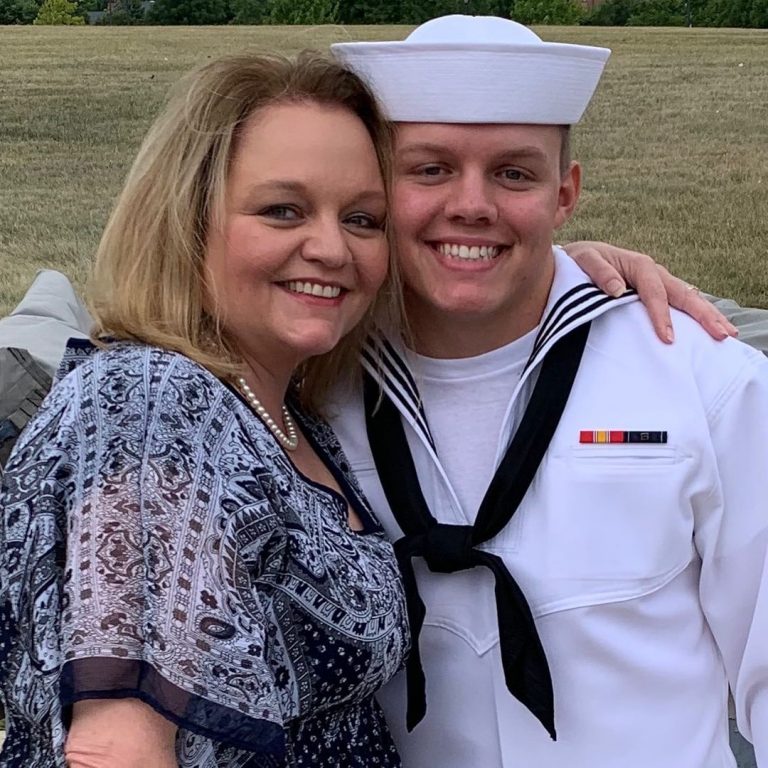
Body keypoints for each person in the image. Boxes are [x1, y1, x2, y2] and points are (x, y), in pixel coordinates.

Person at [327, 15, 768, 767]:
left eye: (514, 174)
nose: (472, 204)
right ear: (376, 189)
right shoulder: (313, 387)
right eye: (429, 170)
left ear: (565, 194)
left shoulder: (701, 381)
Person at [0, 52, 410, 767]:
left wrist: (566, 272)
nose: (331, 248)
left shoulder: (288, 416)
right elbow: (114, 750)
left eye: (362, 219)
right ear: (187, 223)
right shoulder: (153, 403)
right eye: (282, 210)